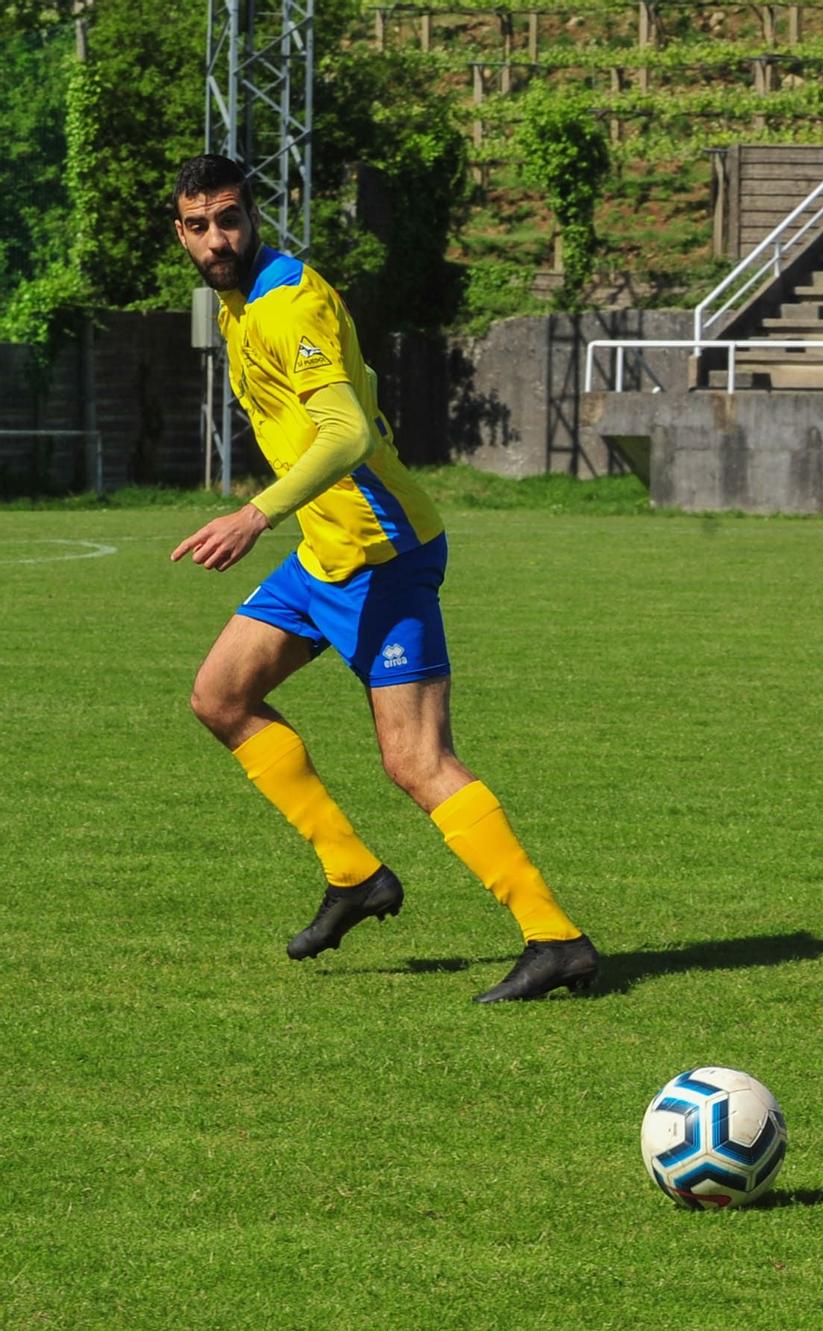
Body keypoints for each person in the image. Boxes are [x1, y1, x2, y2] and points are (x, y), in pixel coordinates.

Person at [166, 155, 598, 1003]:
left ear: (256, 217)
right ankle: (353, 872)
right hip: (324, 554)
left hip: (380, 551)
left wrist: (256, 513)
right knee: (220, 697)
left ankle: (555, 937)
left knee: (417, 760)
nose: (218, 238)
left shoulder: (289, 302)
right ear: (178, 231)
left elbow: (346, 433)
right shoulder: (235, 302)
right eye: (199, 224)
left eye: (230, 218)